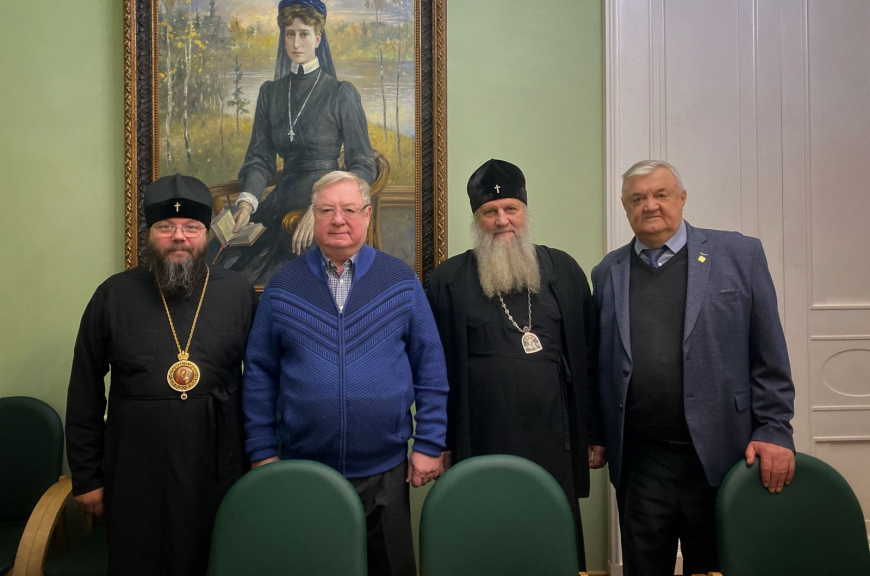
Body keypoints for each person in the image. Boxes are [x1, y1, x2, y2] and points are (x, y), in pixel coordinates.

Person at [592, 159, 796, 576]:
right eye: (637, 198)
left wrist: (775, 429)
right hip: (642, 459)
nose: (650, 205)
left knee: (717, 566)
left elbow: (769, 353)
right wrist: (596, 433)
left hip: (723, 454)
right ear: (625, 207)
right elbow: (601, 364)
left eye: (661, 194)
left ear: (682, 198)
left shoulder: (739, 255)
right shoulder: (607, 272)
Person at [243, 171, 448, 576]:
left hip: (385, 471)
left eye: (349, 209)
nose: (338, 219)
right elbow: (259, 374)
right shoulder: (282, 285)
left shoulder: (400, 281)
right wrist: (262, 450)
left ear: (367, 214)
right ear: (313, 216)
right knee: (311, 567)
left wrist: (429, 442)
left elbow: (430, 366)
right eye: (326, 210)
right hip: (303, 469)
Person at [66, 174, 258, 576]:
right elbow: (84, 389)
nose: (179, 237)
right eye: (166, 226)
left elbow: (261, 383)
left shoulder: (238, 292)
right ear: (149, 233)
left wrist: (261, 458)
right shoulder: (113, 295)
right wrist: (86, 477)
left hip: (217, 463)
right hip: (135, 468)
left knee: (216, 562)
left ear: (207, 233)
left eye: (191, 227)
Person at [425, 159, 606, 570]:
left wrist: (594, 432)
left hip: (554, 435)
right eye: (489, 211)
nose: (501, 220)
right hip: (480, 435)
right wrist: (441, 442)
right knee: (486, 539)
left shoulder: (564, 270)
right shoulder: (449, 279)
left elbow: (591, 357)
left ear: (525, 211)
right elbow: (434, 371)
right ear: (477, 219)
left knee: (551, 538)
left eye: (511, 209)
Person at [208, 0, 376, 285]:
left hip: (319, 202)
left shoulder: (340, 93)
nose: (296, 43)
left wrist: (323, 207)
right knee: (218, 260)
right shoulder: (270, 93)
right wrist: (246, 204)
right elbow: (260, 158)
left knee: (275, 274)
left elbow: (363, 165)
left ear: (318, 38)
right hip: (279, 200)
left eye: (304, 34)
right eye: (290, 34)